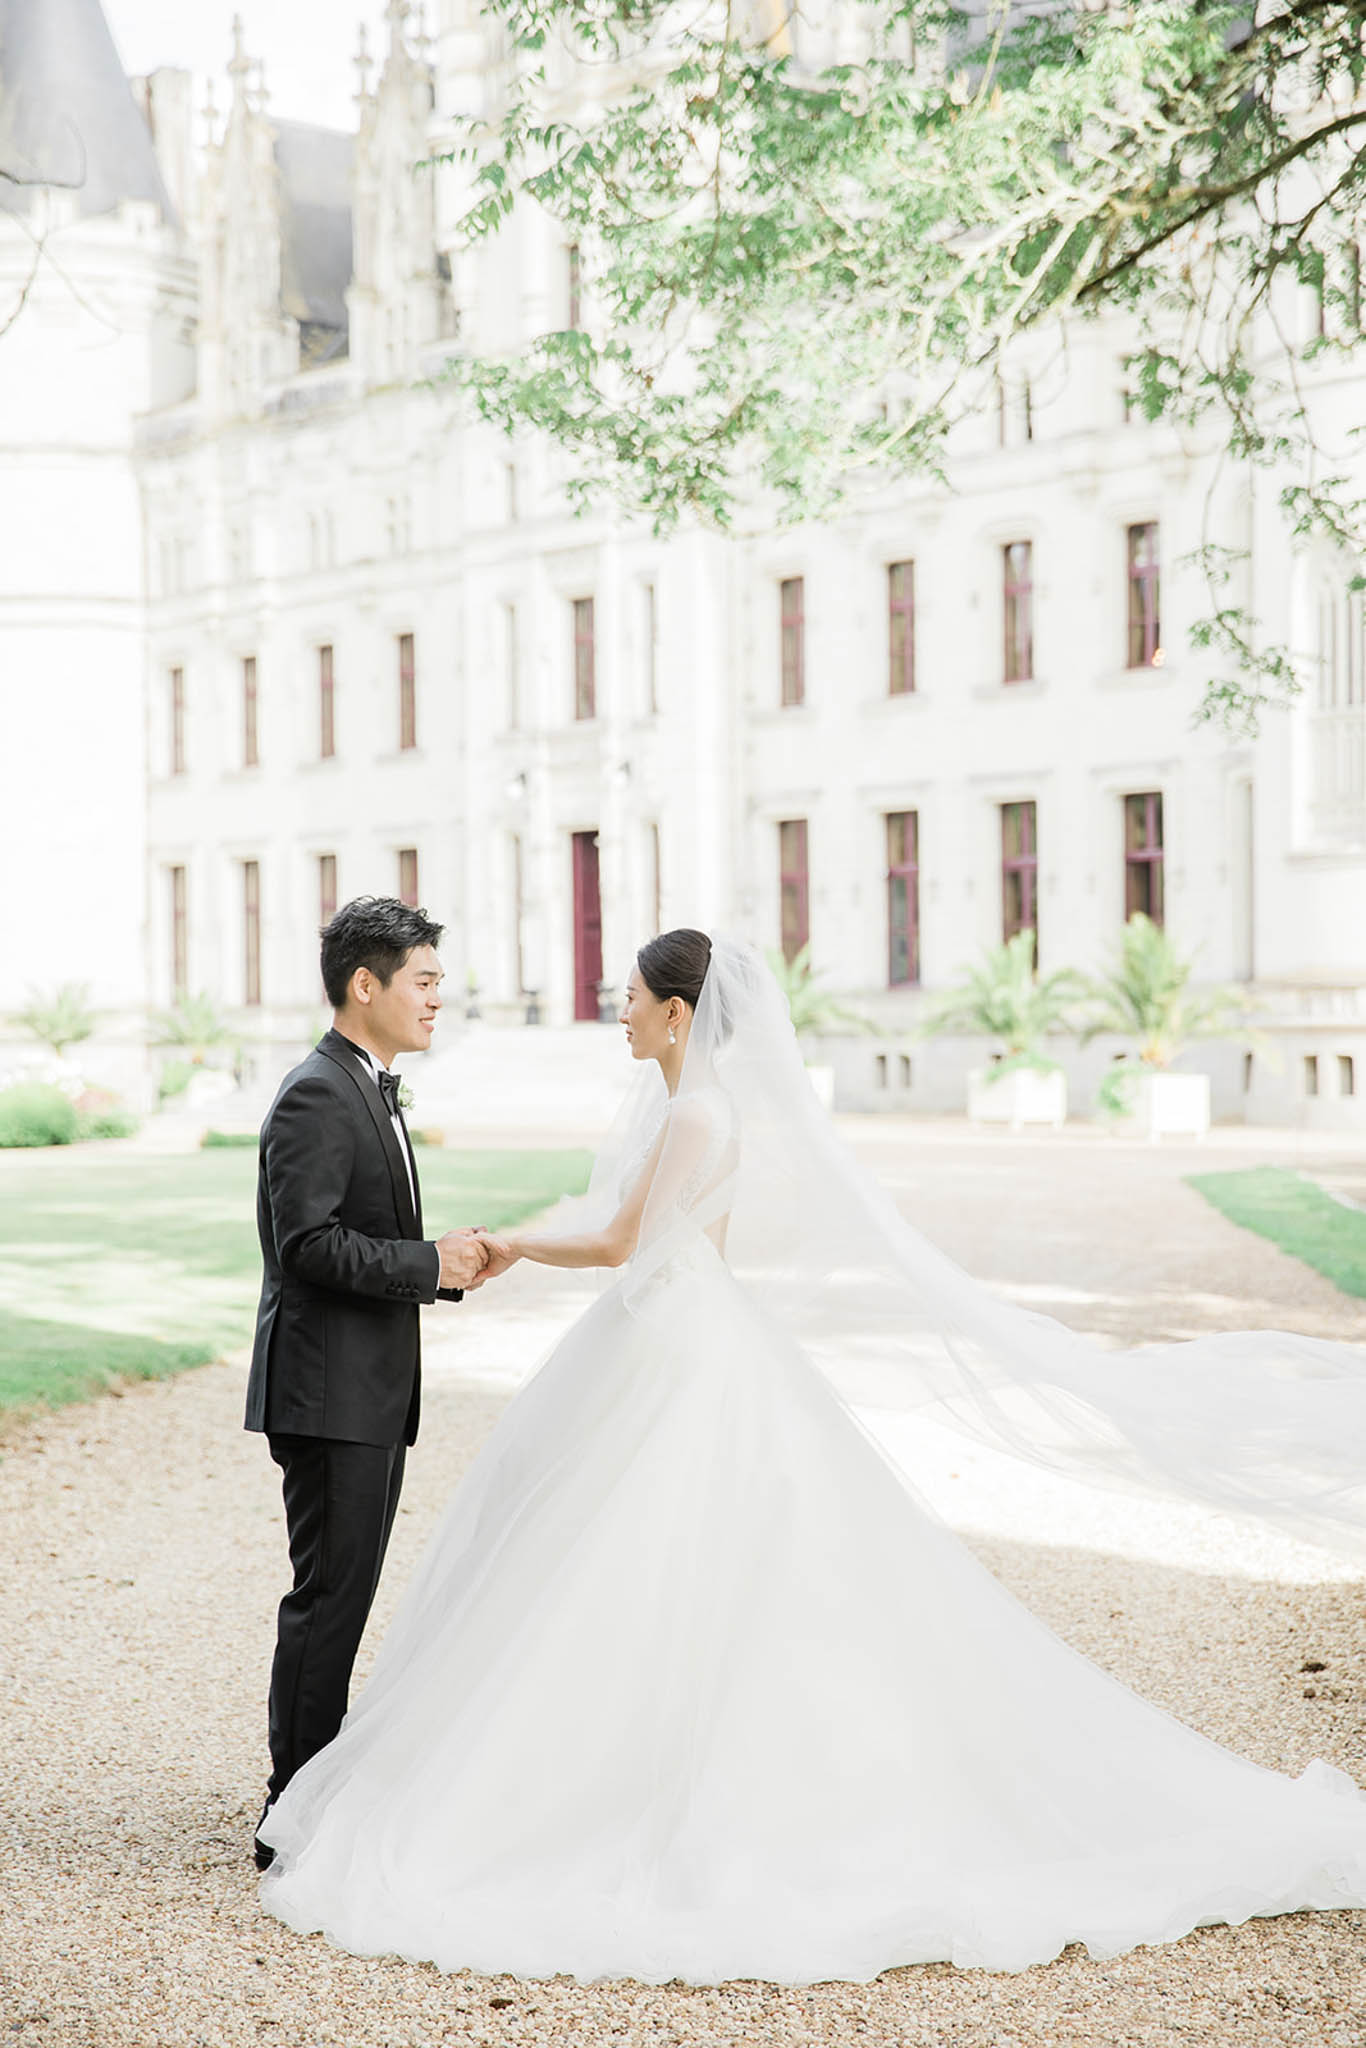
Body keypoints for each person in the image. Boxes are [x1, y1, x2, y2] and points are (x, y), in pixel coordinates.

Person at [257, 929, 1366, 1983]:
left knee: (653, 1557)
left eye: (634, 999)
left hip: (676, 1342)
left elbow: (616, 1239)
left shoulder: (694, 1114)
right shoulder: (687, 1103)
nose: (620, 1012)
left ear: (677, 1010)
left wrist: (496, 1244)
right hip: (678, 1329)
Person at [246, 897, 490, 1871]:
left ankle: (311, 1789)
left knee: (342, 1594)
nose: (438, 998)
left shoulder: (368, 1084)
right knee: (329, 1598)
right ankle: (289, 1811)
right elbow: (304, 1243)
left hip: (364, 1391)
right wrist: (425, 1263)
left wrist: (436, 1259)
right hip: (328, 1393)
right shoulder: (317, 1092)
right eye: (423, 979)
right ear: (366, 983)